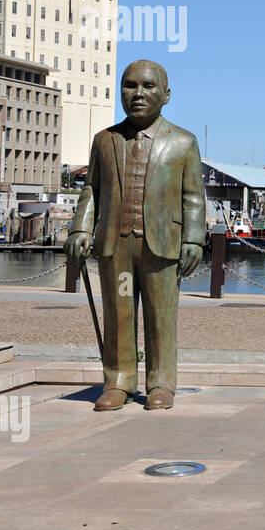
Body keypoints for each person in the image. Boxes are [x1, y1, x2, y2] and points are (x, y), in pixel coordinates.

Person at [65, 60, 206, 411]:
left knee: (161, 316)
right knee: (119, 314)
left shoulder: (184, 142)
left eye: (148, 86)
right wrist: (81, 228)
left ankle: (161, 383)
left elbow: (193, 197)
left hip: (161, 245)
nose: (138, 94)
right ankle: (118, 381)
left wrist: (193, 239)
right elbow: (91, 190)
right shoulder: (105, 141)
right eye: (130, 86)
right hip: (117, 243)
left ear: (166, 94)